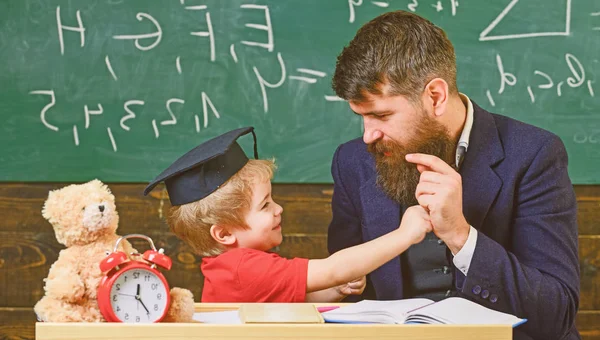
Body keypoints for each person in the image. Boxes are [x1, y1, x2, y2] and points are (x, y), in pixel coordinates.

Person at [328, 10, 580, 340]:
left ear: (435, 96)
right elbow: (344, 296)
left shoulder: (534, 155)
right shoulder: (352, 162)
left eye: (382, 115)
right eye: (361, 117)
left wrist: (461, 235)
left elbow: (556, 315)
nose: (368, 136)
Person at [144, 127, 432, 303]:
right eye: (265, 205)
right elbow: (333, 268)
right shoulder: (244, 267)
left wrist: (336, 290)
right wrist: (403, 235)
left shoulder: (231, 266)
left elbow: (289, 300)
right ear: (224, 233)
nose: (278, 209)